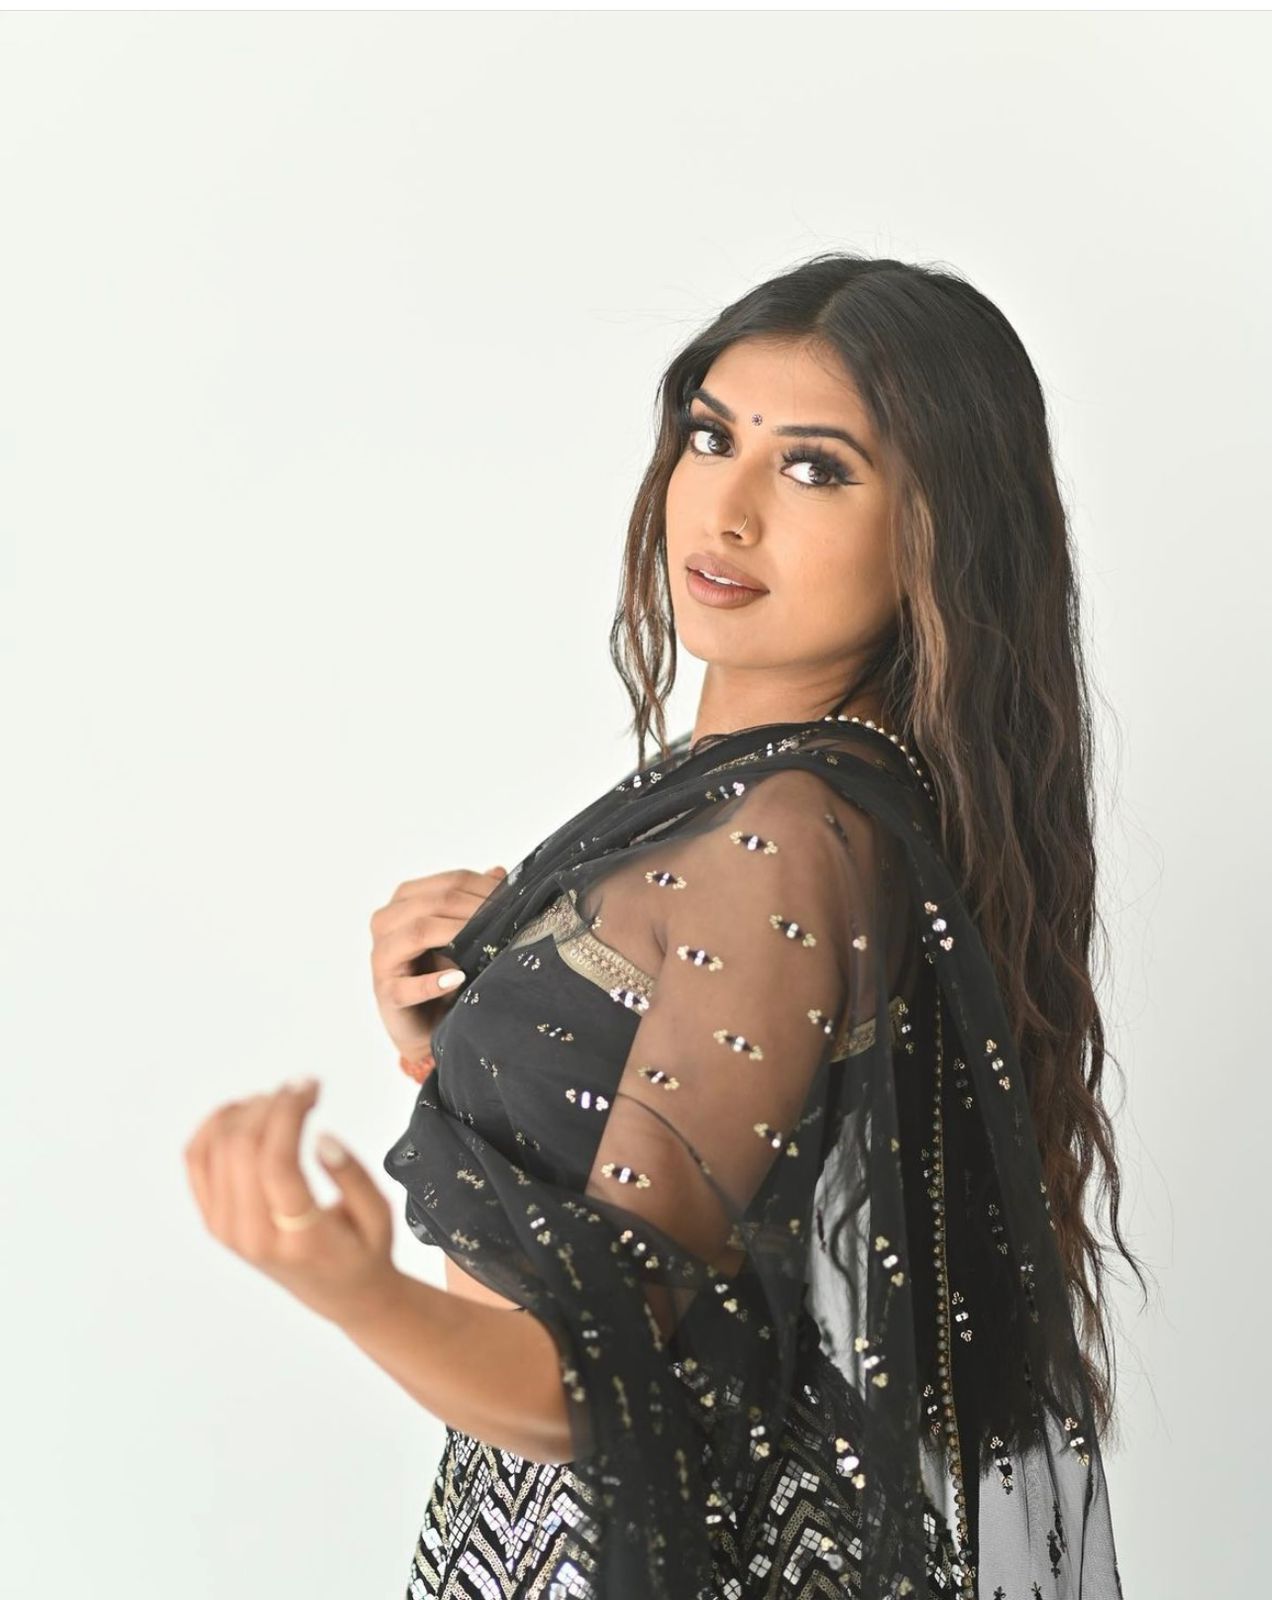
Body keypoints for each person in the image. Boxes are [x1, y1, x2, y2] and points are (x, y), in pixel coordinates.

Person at [184, 252, 1138, 1600]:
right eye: (710, 436)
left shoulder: (786, 837)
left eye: (814, 468)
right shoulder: (758, 801)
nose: (728, 510)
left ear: (940, 529)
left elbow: (605, 1389)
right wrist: (465, 1032)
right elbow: (685, 1174)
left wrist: (348, 1285)